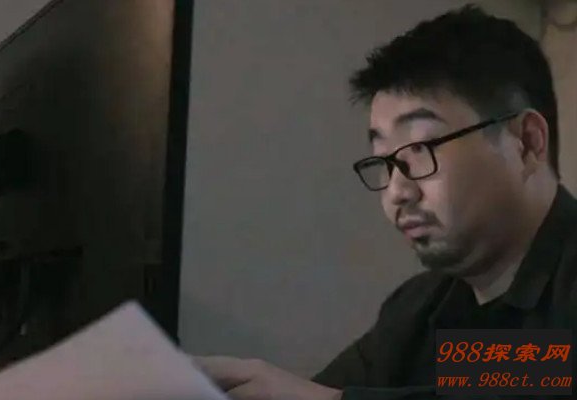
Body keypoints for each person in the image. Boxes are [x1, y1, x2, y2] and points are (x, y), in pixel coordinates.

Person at [194, 5, 576, 399]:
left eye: (421, 150)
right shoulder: (418, 307)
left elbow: (548, 377)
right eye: (384, 162)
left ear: (526, 143)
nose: (397, 192)